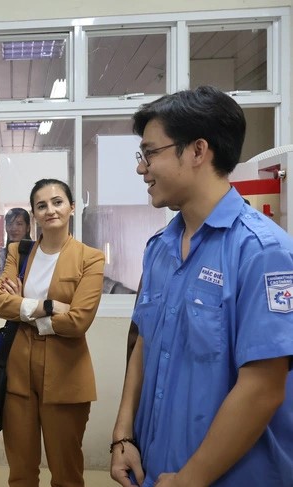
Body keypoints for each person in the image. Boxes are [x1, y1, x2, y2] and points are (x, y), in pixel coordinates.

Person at [110, 86, 293, 487]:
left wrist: (190, 479)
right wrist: (123, 434)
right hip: (157, 468)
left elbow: (263, 389)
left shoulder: (263, 253)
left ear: (197, 151)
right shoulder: (160, 248)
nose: (142, 169)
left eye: (150, 153)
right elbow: (145, 342)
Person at [0, 178, 105, 487]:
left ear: (71, 207)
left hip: (67, 374)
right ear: (34, 213)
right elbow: (1, 303)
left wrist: (25, 310)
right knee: (21, 473)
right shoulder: (18, 252)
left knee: (67, 474)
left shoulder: (90, 258)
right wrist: (49, 306)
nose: (50, 210)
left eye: (57, 202)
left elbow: (78, 321)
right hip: (17, 372)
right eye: (41, 205)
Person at [0, 207, 31, 273]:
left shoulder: (36, 251)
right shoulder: (1, 255)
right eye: (10, 224)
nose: (14, 228)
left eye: (19, 224)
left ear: (28, 227)